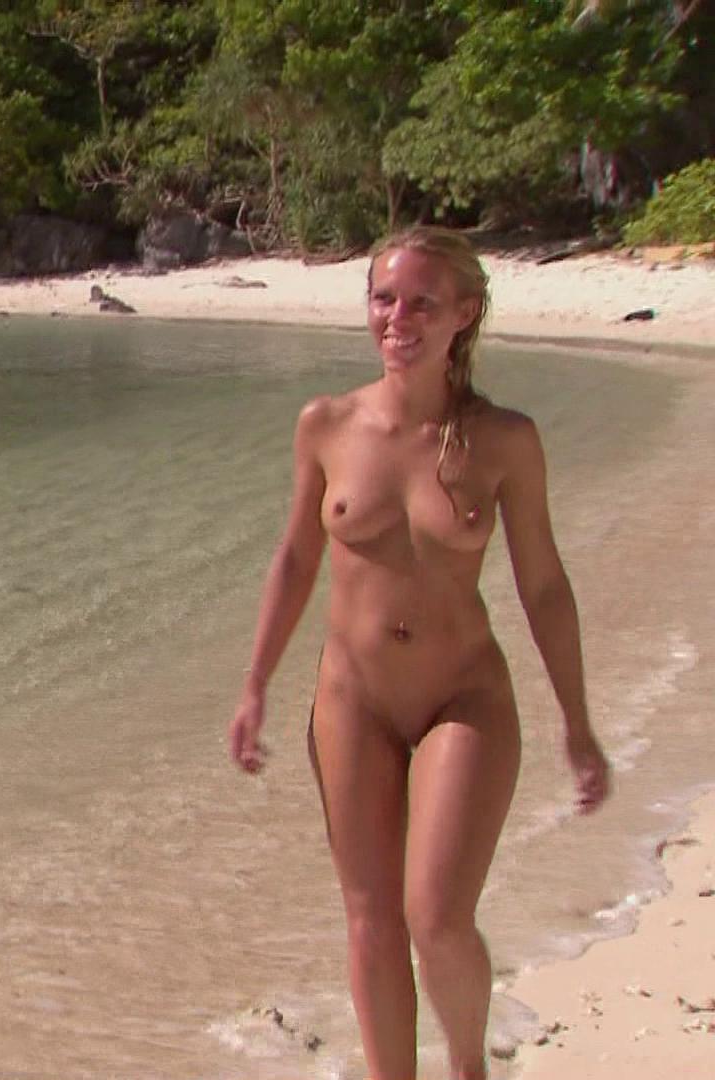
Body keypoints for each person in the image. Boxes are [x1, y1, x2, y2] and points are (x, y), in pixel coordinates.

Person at [227, 226, 610, 1080]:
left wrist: (577, 723)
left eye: (421, 303)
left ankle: (469, 1067)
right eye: (383, 299)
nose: (397, 319)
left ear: (464, 313)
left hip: (461, 696)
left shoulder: (504, 439)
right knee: (370, 921)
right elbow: (295, 560)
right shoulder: (326, 424)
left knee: (435, 917)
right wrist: (254, 685)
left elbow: (545, 585)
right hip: (352, 701)